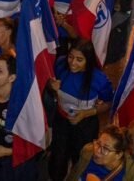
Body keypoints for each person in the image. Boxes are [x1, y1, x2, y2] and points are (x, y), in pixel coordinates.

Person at [47, 40, 113, 179]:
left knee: (81, 159)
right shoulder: (60, 64)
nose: (73, 63)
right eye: (71, 57)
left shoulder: (99, 79)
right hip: (61, 121)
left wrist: (85, 114)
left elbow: (108, 103)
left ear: (88, 61)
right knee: (58, 158)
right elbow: (50, 84)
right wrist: (51, 87)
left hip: (85, 126)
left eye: (79, 59)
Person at [68, 125, 134, 181]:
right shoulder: (87, 152)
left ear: (119, 155)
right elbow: (73, 175)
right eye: (98, 143)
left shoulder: (132, 175)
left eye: (105, 149)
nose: (97, 151)